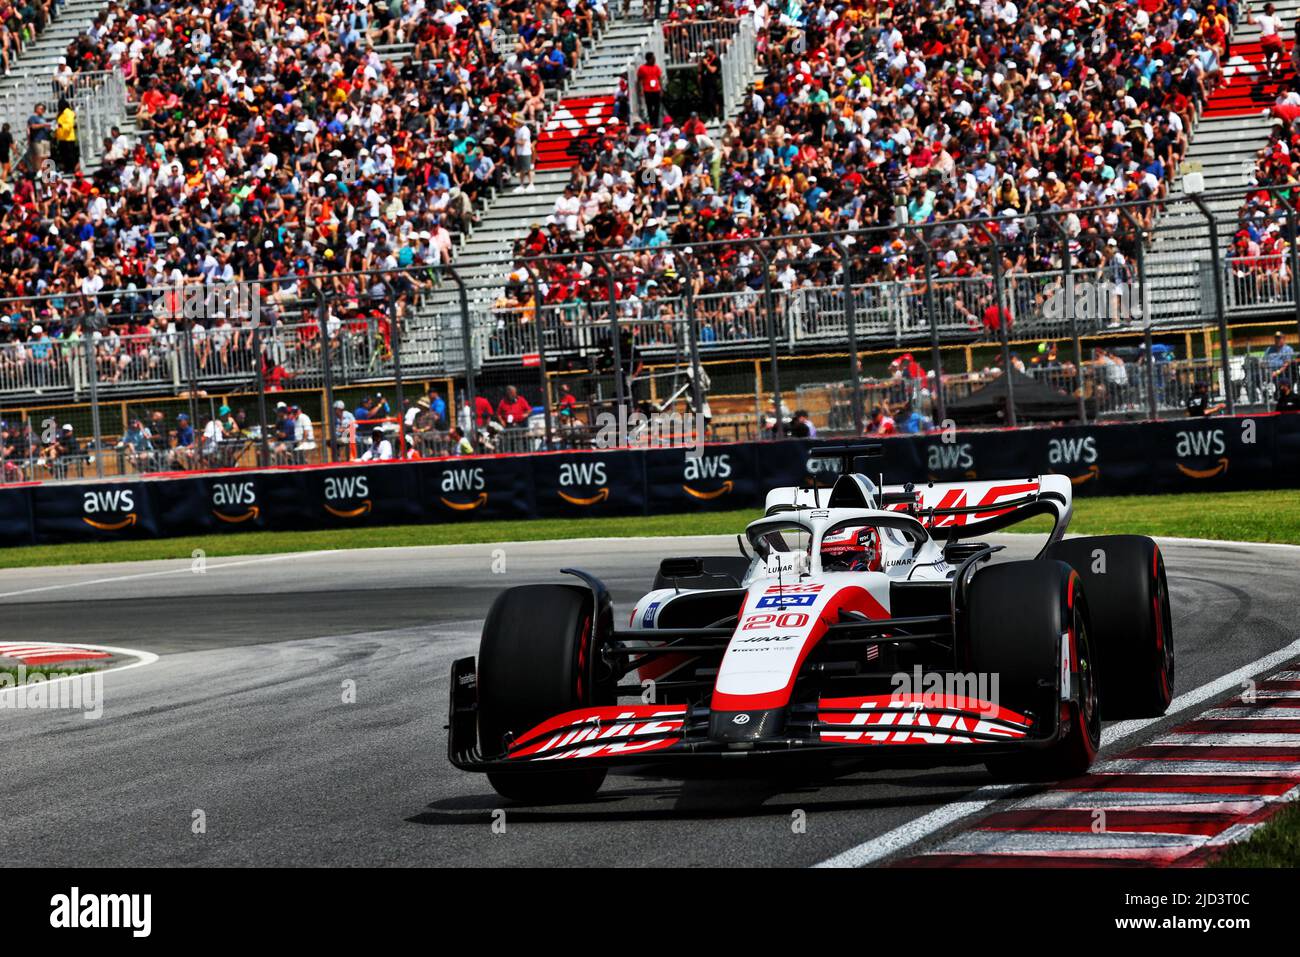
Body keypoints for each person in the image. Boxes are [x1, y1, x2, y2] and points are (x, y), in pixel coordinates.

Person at [636, 52, 664, 128]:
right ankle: (652, 123)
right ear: (649, 59)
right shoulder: (642, 68)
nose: (654, 60)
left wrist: (661, 89)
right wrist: (640, 90)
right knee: (649, 108)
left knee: (657, 108)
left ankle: (656, 122)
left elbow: (659, 79)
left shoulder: (656, 67)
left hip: (656, 90)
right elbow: (639, 80)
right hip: (647, 90)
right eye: (653, 58)